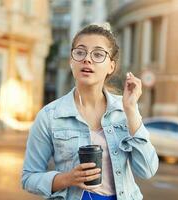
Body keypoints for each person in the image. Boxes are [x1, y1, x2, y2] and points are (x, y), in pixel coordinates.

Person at [21, 23, 159, 200]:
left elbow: (147, 170)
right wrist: (66, 179)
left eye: (98, 54)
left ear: (111, 66)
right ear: (72, 61)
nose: (87, 59)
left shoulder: (125, 109)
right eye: (80, 52)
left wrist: (131, 109)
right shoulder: (50, 116)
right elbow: (29, 178)